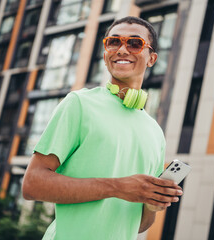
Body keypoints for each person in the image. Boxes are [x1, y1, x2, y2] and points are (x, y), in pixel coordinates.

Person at [22, 16, 183, 240]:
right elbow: (32, 184)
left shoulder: (155, 133)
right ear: (106, 52)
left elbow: (140, 225)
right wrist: (117, 187)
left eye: (135, 43)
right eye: (114, 42)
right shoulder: (79, 103)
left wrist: (152, 204)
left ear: (152, 58)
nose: (122, 49)